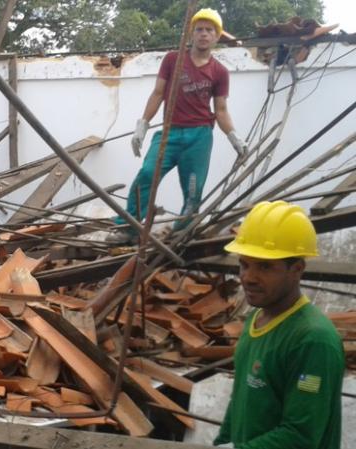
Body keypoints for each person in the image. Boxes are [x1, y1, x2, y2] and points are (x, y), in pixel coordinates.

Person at [214, 200, 344, 449]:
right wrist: (223, 442)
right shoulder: (255, 320)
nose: (248, 277)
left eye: (264, 266)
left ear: (297, 268)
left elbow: (300, 437)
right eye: (244, 264)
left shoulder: (312, 339)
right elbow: (240, 400)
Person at [108, 8, 247, 243]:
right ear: (192, 34)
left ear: (216, 36)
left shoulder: (219, 72)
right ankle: (129, 228)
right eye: (199, 29)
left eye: (209, 30)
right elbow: (158, 93)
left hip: (200, 136)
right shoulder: (173, 60)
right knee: (147, 174)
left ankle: (182, 231)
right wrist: (142, 125)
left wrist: (234, 137)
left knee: (193, 189)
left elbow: (220, 110)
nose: (204, 34)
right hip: (169, 134)